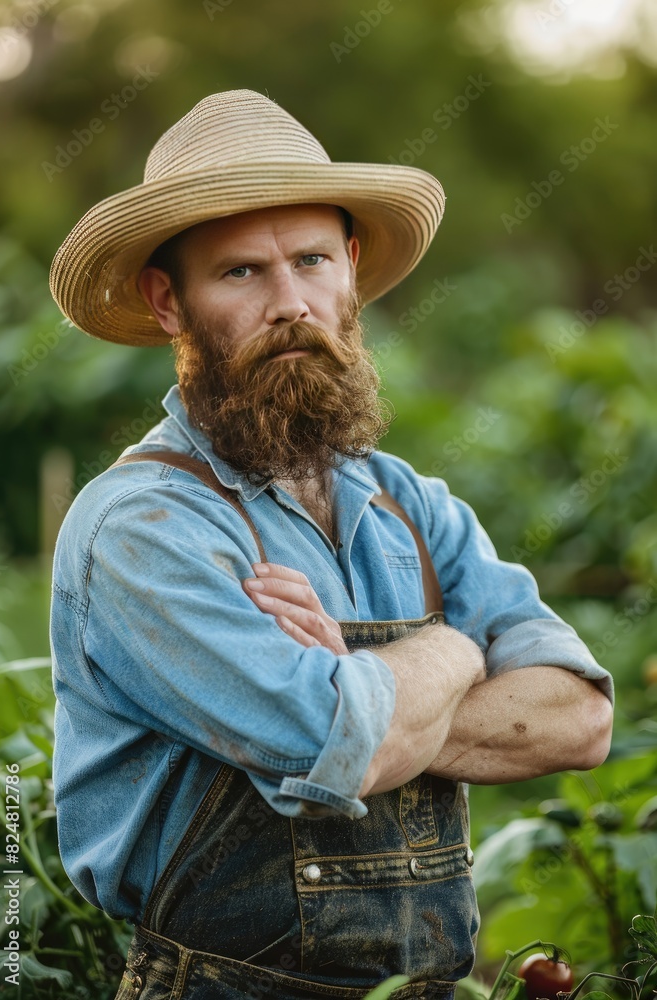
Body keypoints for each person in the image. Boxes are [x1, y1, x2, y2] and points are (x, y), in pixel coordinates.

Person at [48, 90, 613, 1000]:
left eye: (311, 261)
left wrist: (374, 700)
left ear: (349, 269)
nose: (290, 305)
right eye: (240, 273)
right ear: (167, 301)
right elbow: (333, 742)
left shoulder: (410, 506)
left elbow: (580, 720)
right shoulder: (143, 528)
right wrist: (454, 648)